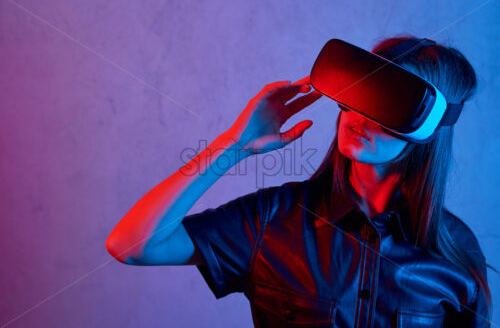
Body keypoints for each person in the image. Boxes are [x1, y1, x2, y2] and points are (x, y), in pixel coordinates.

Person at [105, 35, 494, 327]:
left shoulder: (457, 255)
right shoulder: (272, 219)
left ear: (431, 128)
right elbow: (131, 245)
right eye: (363, 93)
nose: (361, 116)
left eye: (388, 104)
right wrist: (234, 146)